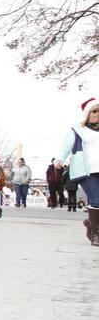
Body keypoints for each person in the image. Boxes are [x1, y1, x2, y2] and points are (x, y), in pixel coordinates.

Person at [59, 97, 98, 244]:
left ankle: (90, 222)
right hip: (87, 170)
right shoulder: (78, 129)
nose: (97, 114)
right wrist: (59, 159)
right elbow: (66, 146)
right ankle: (96, 235)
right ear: (88, 113)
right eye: (94, 111)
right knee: (96, 199)